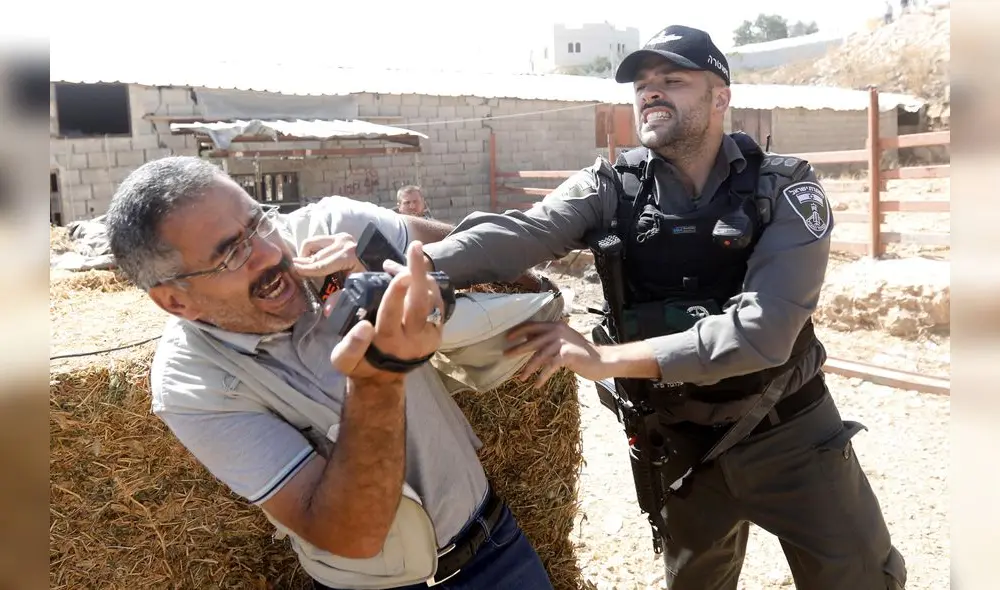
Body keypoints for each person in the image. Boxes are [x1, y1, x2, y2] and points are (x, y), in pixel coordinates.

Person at [420, 25, 907, 590]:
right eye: (642, 84)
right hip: (679, 442)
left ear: (719, 97)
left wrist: (608, 361)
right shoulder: (610, 186)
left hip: (788, 431)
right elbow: (524, 233)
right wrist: (421, 268)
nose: (651, 92)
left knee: (859, 578)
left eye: (672, 80)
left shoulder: (785, 188)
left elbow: (764, 332)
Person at [103, 156, 556, 590]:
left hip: (497, 547)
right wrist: (377, 376)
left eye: (259, 221)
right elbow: (348, 535)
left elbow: (453, 246)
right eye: (231, 255)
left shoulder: (330, 228)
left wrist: (534, 286)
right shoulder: (190, 386)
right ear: (175, 301)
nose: (269, 252)